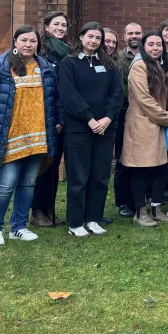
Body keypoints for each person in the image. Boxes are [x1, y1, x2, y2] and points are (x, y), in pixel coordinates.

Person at [0, 25, 64, 246]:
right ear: (15, 42)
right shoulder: (0, 68)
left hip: (38, 137)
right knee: (6, 184)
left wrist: (58, 121)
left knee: (28, 184)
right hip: (10, 137)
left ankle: (18, 226)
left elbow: (55, 98)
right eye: (24, 40)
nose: (29, 45)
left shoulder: (45, 67)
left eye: (33, 41)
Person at [58, 21, 123, 237]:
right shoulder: (69, 63)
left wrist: (107, 118)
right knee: (79, 177)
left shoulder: (111, 65)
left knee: (100, 176)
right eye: (90, 37)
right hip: (80, 129)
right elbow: (69, 94)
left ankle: (94, 218)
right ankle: (75, 222)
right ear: (81, 37)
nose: (94, 41)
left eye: (98, 38)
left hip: (106, 129)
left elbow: (117, 94)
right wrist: (89, 118)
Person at [122, 32, 168, 227]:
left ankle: (156, 209)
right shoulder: (139, 66)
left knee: (163, 168)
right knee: (141, 169)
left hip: (162, 125)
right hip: (142, 125)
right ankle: (140, 212)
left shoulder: (163, 67)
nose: (156, 48)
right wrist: (166, 117)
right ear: (144, 47)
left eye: (159, 44)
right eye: (151, 44)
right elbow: (143, 99)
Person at [30, 10, 69, 227]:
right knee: (41, 167)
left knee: (54, 167)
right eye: (56, 24)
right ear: (46, 27)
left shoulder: (68, 53)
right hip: (44, 118)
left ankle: (50, 210)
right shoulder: (41, 53)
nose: (61, 28)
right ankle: (36, 211)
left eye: (64, 25)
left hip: (62, 118)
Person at [113, 22, 142, 217]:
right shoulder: (119, 58)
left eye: (137, 33)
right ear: (124, 36)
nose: (134, 36)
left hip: (141, 113)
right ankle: (122, 200)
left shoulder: (147, 57)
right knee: (123, 157)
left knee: (138, 157)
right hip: (123, 111)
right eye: (130, 33)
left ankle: (139, 196)